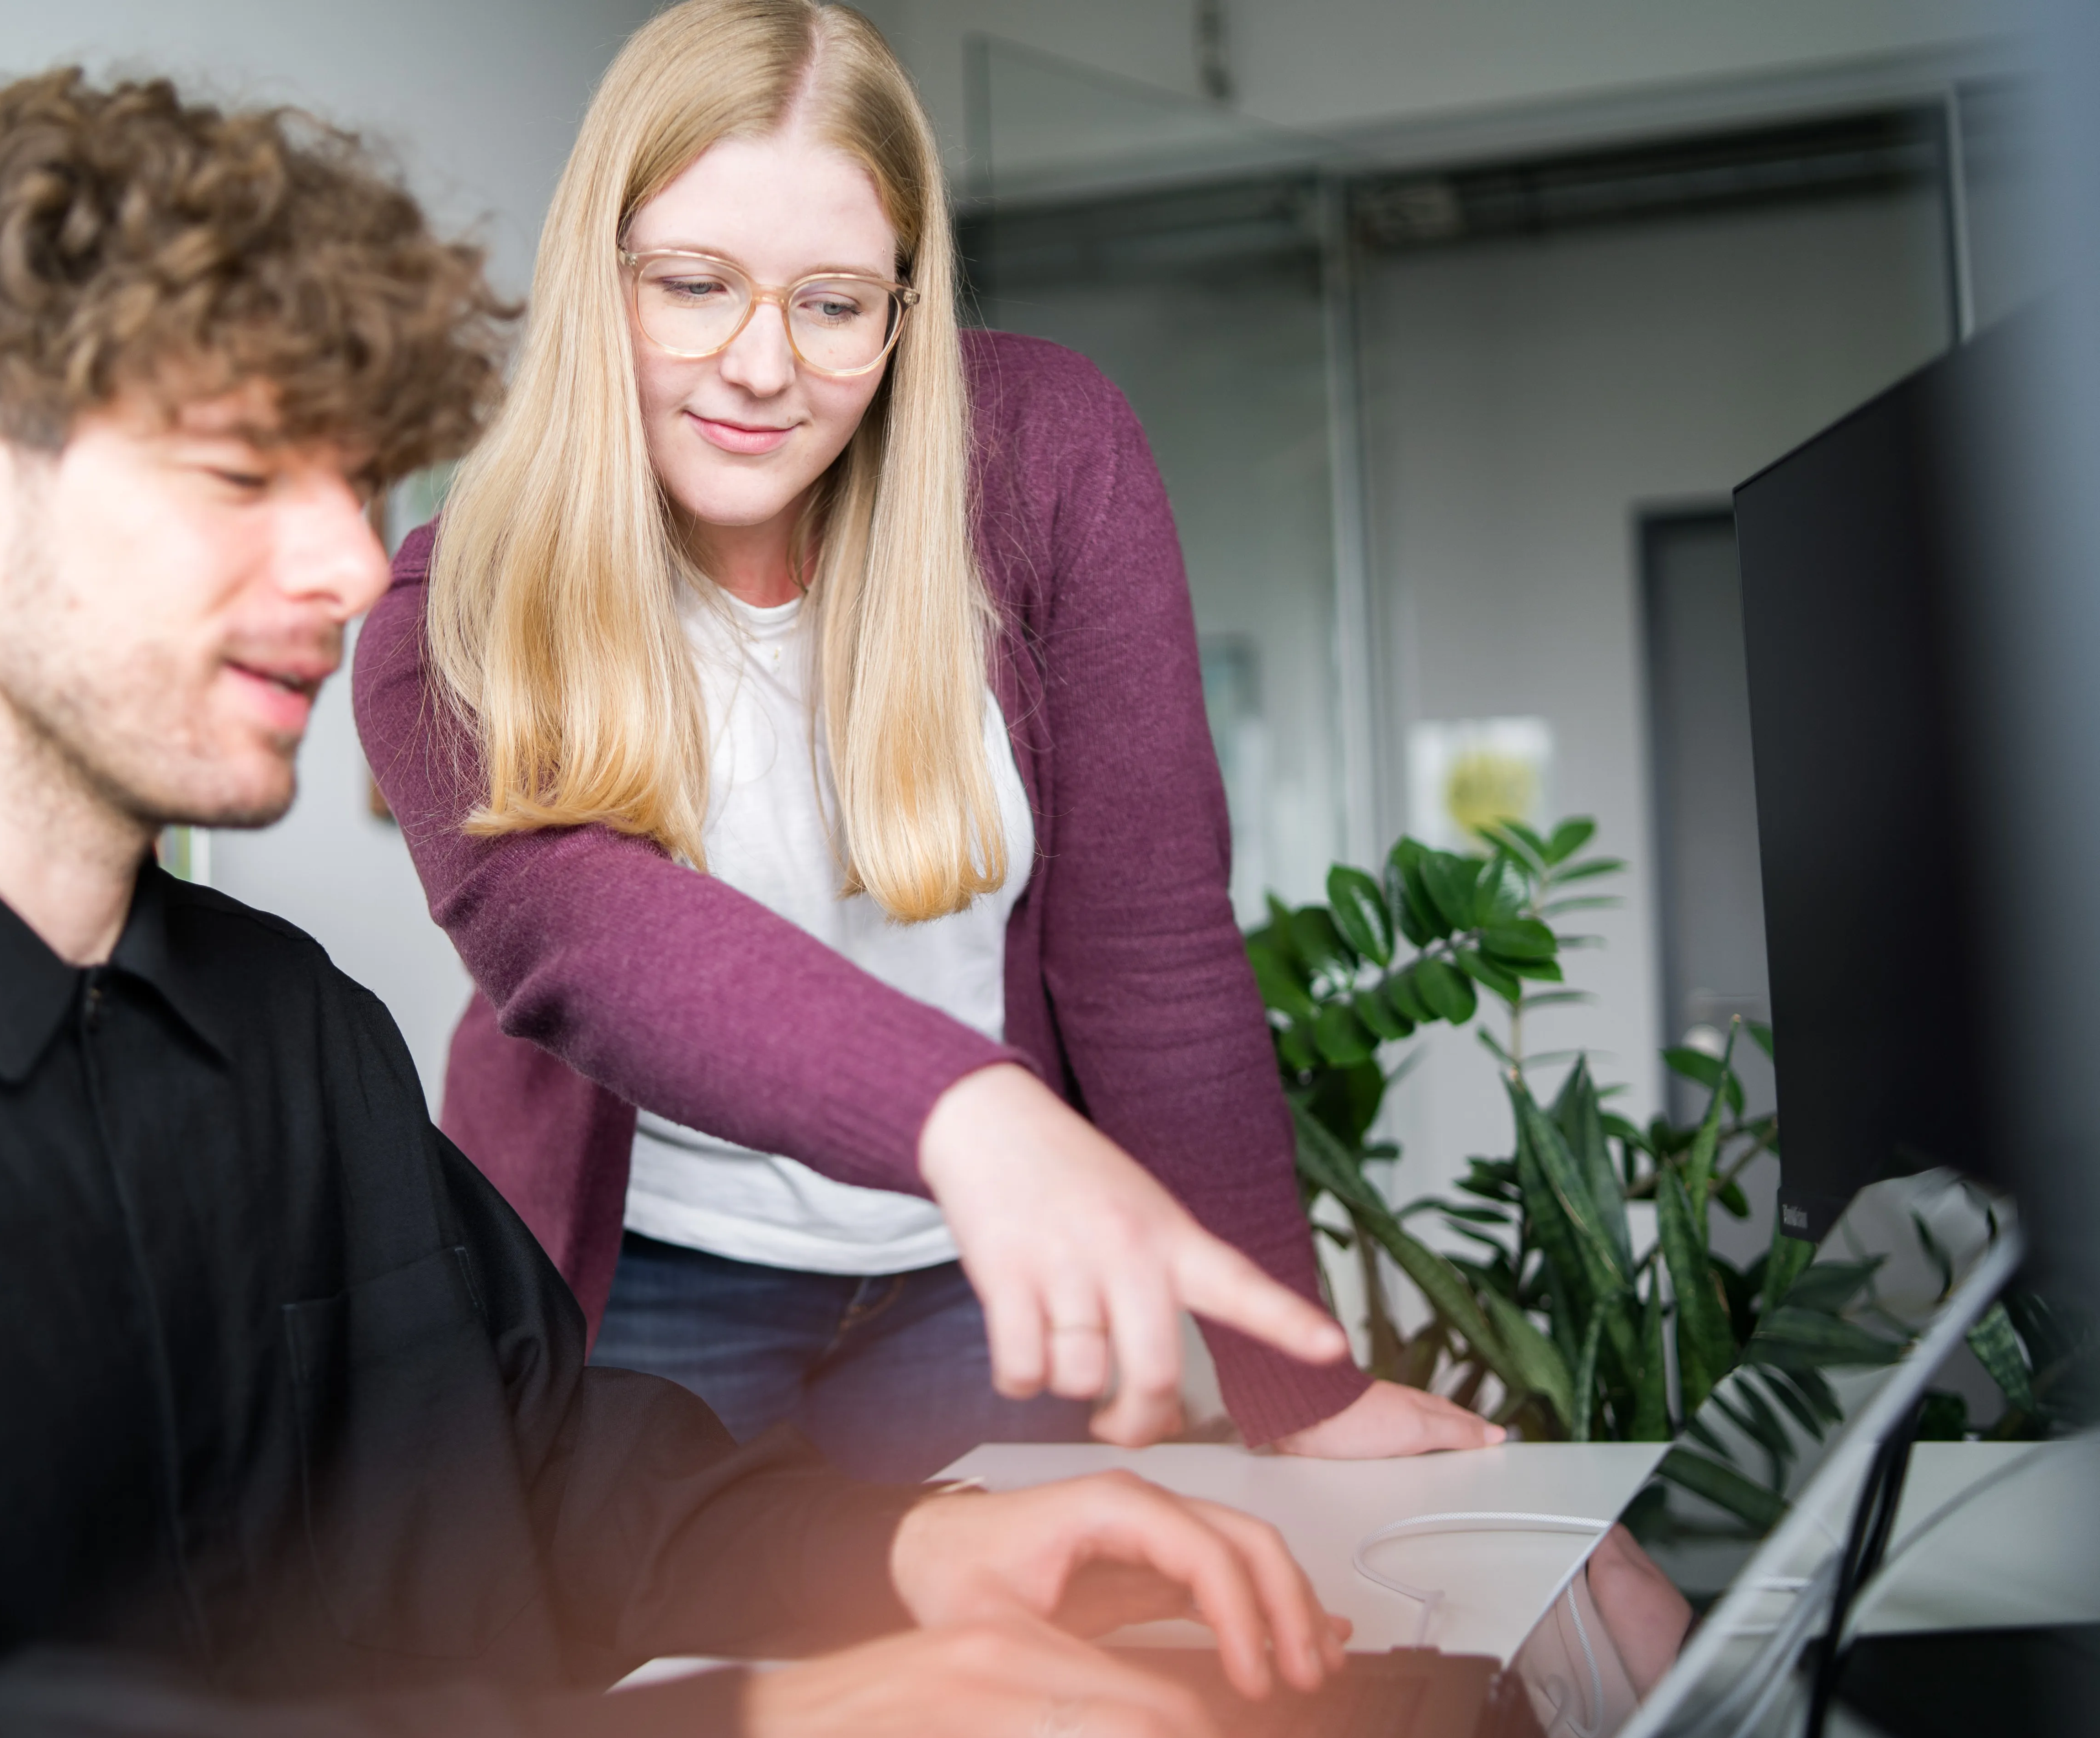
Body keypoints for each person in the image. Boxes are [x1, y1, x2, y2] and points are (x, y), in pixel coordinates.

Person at [0, 69, 1353, 1738]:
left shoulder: (287, 1038)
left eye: (350, 481)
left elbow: (542, 1466)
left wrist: (912, 1557)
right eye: (242, 474)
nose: (341, 567)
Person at [355, 0, 1501, 1479]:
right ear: (597, 278)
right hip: (647, 1282)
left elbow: (1148, 950)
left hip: (978, 1274)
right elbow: (587, 938)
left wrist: (1302, 1383)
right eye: (695, 285)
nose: (762, 367)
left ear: (903, 307)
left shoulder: (1045, 459)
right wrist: (972, 1115)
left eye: (833, 303)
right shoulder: (449, 609)